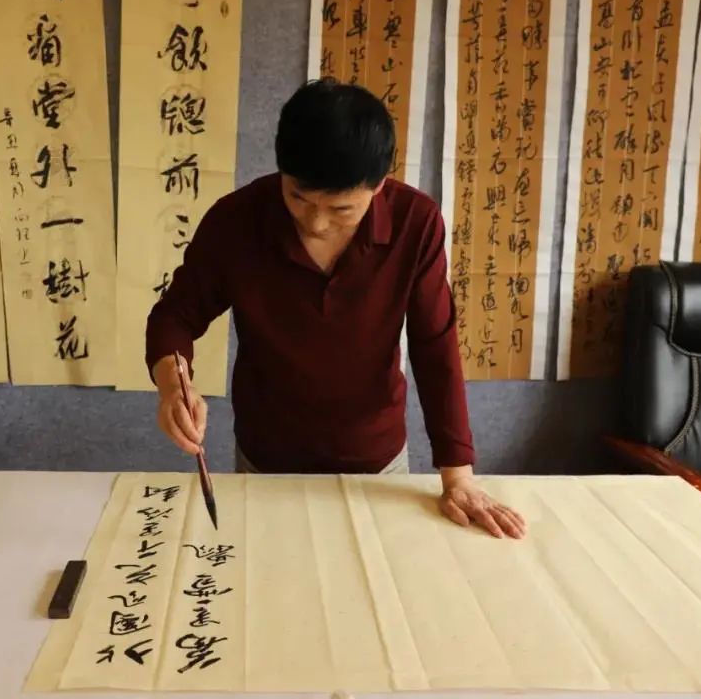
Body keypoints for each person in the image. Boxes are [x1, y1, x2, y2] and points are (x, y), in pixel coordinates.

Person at [145, 79, 526, 539]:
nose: (316, 222)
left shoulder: (415, 223)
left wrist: (458, 476)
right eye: (298, 197)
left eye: (341, 209)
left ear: (379, 185)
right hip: (266, 456)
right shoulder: (237, 220)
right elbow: (176, 315)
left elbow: (435, 345)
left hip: (376, 457)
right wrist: (173, 386)